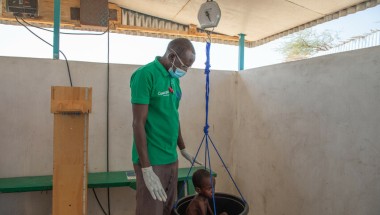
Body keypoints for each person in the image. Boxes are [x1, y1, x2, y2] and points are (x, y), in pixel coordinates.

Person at [130, 38, 201, 215]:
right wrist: (146, 169)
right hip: (153, 160)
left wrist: (182, 148)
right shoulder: (145, 75)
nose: (185, 71)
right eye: (184, 66)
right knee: (150, 210)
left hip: (171, 157)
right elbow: (138, 123)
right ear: (171, 56)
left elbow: (173, 116)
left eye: (188, 68)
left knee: (169, 210)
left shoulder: (173, 79)